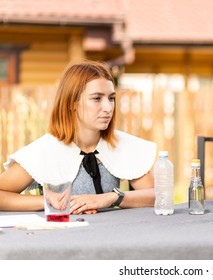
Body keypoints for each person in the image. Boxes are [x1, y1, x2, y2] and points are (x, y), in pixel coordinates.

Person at [0, 60, 156, 214]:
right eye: (96, 98)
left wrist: (110, 198)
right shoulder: (44, 150)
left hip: (113, 236)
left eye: (111, 98)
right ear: (72, 103)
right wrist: (48, 200)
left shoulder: (123, 145)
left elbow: (157, 195)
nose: (108, 108)